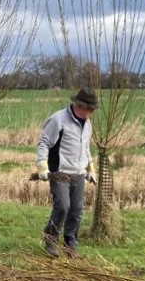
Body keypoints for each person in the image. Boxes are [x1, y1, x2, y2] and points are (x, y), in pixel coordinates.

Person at [35, 87, 98, 258]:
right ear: (80, 105)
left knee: (76, 212)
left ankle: (71, 245)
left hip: (78, 173)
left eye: (92, 110)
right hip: (60, 171)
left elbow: (85, 148)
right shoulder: (58, 120)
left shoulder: (88, 124)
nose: (91, 113)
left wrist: (90, 169)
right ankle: (50, 238)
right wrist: (42, 166)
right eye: (89, 109)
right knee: (63, 206)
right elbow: (43, 143)